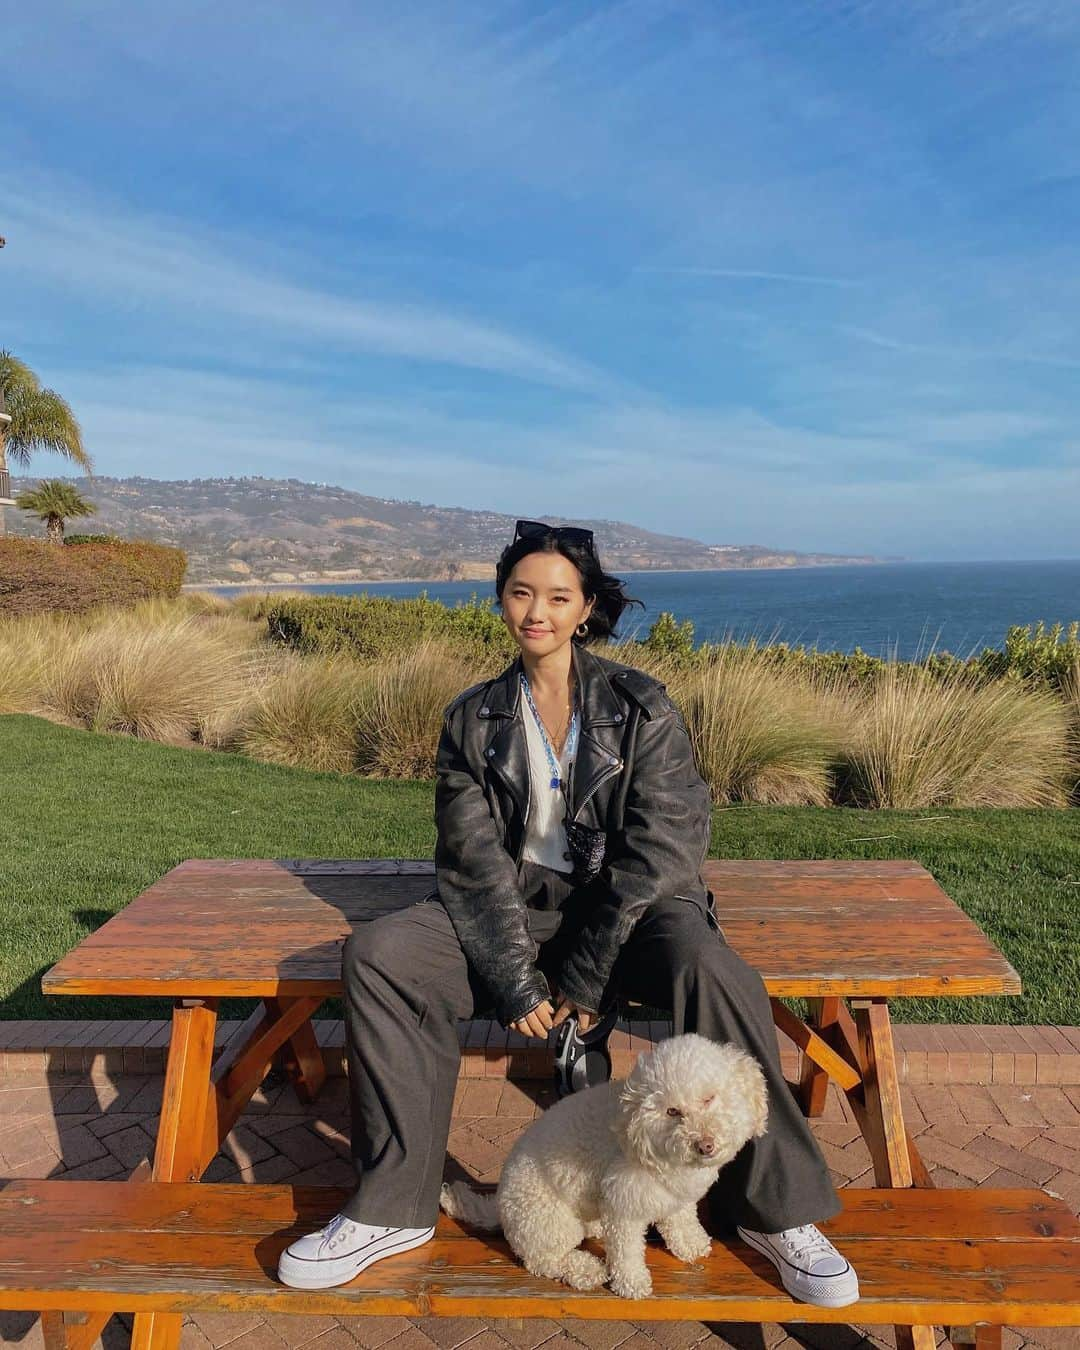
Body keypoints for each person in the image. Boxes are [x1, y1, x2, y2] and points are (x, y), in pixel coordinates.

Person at [278, 519, 859, 1308]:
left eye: (558, 596)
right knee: (382, 954)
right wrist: (515, 980)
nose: (538, 611)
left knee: (712, 968)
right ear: (501, 602)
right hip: (517, 911)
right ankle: (394, 1208)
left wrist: (587, 971)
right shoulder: (473, 719)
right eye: (522, 593)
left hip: (639, 907)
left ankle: (773, 1212)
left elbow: (663, 847)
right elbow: (471, 858)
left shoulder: (640, 703)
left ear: (585, 608)